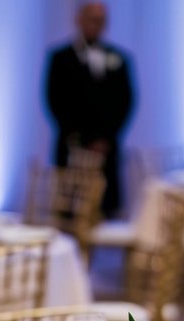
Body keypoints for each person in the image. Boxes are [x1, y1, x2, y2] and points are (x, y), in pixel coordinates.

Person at [45, 2, 134, 218]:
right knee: (69, 215)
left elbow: (126, 102)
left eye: (101, 20)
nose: (96, 25)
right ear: (79, 20)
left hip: (107, 152)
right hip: (72, 147)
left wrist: (105, 139)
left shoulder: (120, 58)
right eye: (91, 19)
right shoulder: (60, 58)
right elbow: (54, 101)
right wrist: (81, 139)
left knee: (106, 212)